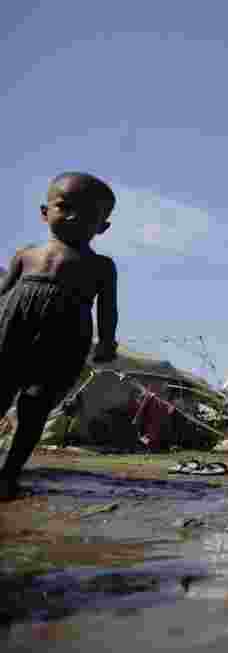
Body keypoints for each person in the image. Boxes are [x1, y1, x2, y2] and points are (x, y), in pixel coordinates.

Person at [0, 172, 119, 500]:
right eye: (64, 206)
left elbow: (108, 309)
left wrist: (107, 341)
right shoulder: (25, 255)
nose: (74, 216)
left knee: (35, 407)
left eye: (89, 214)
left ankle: (9, 474)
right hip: (11, 333)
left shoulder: (101, 267)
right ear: (44, 211)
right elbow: (3, 293)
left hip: (63, 341)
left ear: (102, 227)